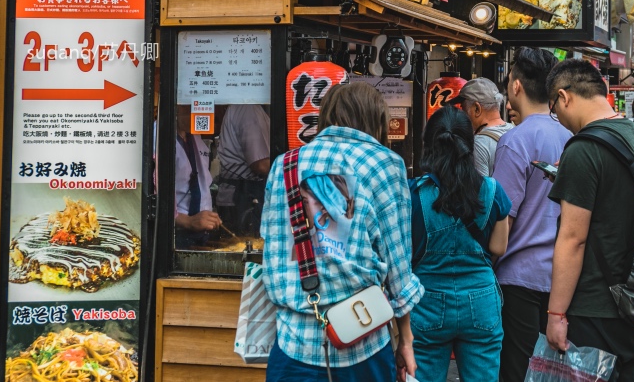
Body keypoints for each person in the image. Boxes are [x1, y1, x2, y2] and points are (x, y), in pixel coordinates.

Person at [260, 82, 422, 382]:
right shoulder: (384, 164)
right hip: (363, 342)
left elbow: (271, 247)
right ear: (376, 120)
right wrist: (406, 340)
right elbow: (398, 270)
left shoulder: (286, 165)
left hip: (294, 344)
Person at [545, 59, 634, 380]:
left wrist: (555, 314)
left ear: (564, 97)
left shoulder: (582, 149)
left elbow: (573, 238)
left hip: (592, 304)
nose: (560, 119)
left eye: (555, 109)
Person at [409, 107, 511, 382]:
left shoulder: (413, 194)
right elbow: (499, 248)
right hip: (481, 301)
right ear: (470, 143)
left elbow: (406, 252)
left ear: (428, 145)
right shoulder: (491, 189)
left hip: (426, 300)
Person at [494, 48, 571, 382]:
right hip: (565, 275)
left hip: (519, 277)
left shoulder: (515, 141)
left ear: (515, 87)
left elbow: (501, 218)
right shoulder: (572, 136)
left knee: (517, 367)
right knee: (554, 370)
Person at [216, 103, 272, 235]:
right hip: (243, 198)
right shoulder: (247, 108)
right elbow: (261, 164)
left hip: (242, 195)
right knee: (246, 248)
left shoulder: (251, 108)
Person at [174, 105, 220, 248]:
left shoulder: (194, 134)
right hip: (177, 231)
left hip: (200, 230)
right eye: (189, 108)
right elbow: (153, 194)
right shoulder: (157, 138)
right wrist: (186, 221)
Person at [450, 77, 514, 177]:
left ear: (477, 108)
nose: (462, 114)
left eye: (463, 108)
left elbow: (482, 190)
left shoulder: (479, 143)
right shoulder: (515, 131)